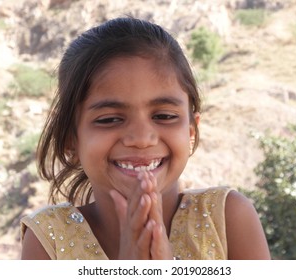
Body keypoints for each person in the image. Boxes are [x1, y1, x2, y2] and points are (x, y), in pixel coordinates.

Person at [20, 17, 271, 260]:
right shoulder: (49, 240)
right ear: (70, 139)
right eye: (109, 119)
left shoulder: (227, 218)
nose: (141, 139)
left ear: (191, 131)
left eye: (163, 115)